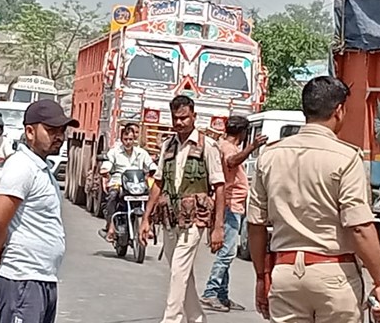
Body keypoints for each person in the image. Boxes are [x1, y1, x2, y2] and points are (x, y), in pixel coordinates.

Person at [247, 76, 380, 323]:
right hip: (334, 275)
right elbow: (359, 227)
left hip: (285, 273)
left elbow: (256, 224)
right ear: (339, 110)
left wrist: (262, 276)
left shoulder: (270, 157)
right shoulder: (346, 158)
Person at [0, 99, 77, 323]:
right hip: (23, 279)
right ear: (30, 132)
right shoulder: (21, 166)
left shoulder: (41, 168)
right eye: (51, 130)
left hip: (42, 278)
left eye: (62, 131)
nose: (59, 136)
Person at [139, 95, 226, 323]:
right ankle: (197, 318)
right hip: (170, 218)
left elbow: (219, 187)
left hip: (195, 220)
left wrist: (218, 227)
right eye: (175, 118)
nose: (179, 123)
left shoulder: (208, 146)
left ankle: (171, 319)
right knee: (181, 273)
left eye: (184, 118)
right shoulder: (168, 145)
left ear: (194, 116)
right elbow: (158, 183)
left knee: (179, 270)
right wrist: (145, 219)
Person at [200, 116, 267, 312]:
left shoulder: (222, 144)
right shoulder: (229, 148)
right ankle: (211, 292)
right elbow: (231, 161)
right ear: (243, 133)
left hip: (232, 205)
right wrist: (251, 147)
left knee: (226, 253)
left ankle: (222, 295)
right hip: (230, 204)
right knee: (227, 253)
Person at [98, 125, 156, 242]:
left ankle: (149, 225)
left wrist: (154, 170)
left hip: (137, 184)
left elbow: (150, 164)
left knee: (153, 197)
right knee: (112, 196)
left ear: (134, 139)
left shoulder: (141, 153)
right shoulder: (114, 152)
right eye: (125, 139)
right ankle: (111, 227)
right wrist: (105, 170)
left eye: (130, 139)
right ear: (121, 139)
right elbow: (108, 164)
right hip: (119, 182)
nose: (128, 142)